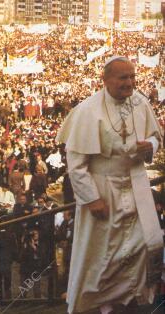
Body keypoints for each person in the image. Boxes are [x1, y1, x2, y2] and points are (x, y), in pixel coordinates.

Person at [56, 56, 164, 314]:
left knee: (142, 245)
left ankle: (133, 297)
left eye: (132, 77)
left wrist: (151, 146)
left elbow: (155, 136)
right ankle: (103, 305)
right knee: (103, 253)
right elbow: (77, 163)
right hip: (103, 190)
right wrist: (92, 198)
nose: (129, 83)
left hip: (136, 185)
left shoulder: (140, 102)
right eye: (122, 78)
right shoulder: (87, 110)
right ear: (105, 80)